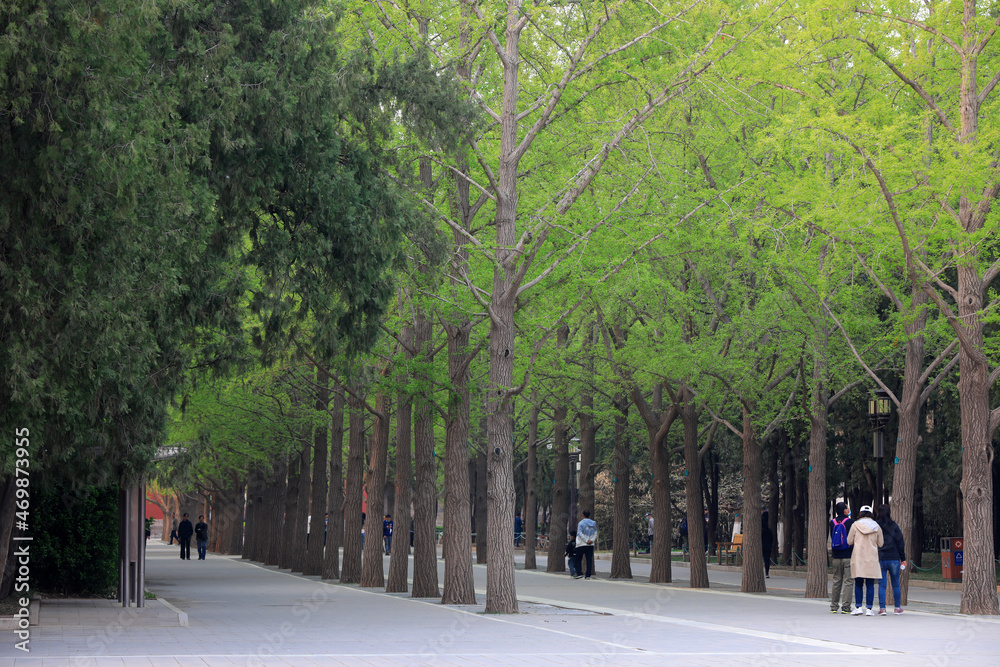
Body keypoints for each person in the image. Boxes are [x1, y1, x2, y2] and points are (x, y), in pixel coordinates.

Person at [847, 505, 883, 616]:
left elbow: (849, 541)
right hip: (871, 558)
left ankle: (858, 607)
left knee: (858, 583)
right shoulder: (876, 526)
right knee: (870, 584)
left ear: (860, 513)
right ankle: (869, 609)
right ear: (871, 514)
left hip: (858, 557)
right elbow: (881, 543)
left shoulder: (855, 525)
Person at [876, 503, 907, 615]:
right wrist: (903, 558)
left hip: (880, 558)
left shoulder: (876, 526)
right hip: (894, 557)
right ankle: (897, 607)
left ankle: (882, 608)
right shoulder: (894, 525)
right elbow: (900, 542)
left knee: (882, 584)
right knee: (895, 584)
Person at [829, 502, 854, 613]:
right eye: (847, 508)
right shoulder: (850, 522)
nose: (848, 509)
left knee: (836, 581)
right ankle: (846, 607)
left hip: (836, 555)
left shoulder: (832, 522)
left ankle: (834, 606)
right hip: (848, 555)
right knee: (848, 581)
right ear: (844, 510)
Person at [576, 510, 598, 580]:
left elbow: (580, 533)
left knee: (578, 559)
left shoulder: (581, 523)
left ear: (583, 515)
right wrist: (591, 540)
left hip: (581, 544)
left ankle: (579, 573)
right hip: (590, 545)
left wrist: (586, 540)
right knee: (589, 560)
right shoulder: (593, 523)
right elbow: (595, 532)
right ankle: (588, 575)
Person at [761, 505, 773, 578]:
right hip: (768, 547)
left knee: (760, 560)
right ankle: (767, 573)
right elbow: (772, 539)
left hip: (762, 546)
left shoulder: (760, 531)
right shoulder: (769, 531)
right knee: (767, 560)